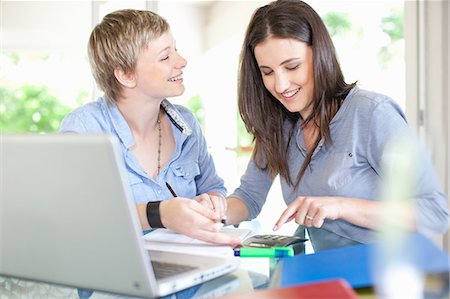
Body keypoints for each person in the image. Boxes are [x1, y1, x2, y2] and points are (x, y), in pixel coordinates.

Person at [226, 0, 449, 252]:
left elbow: (435, 212)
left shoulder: (373, 113)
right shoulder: (278, 125)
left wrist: (341, 206)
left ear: (320, 55)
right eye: (267, 72)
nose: (280, 84)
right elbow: (249, 197)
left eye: (292, 66)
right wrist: (213, 211)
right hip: (328, 267)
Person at [60, 9, 239, 246]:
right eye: (165, 57)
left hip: (188, 266)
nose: (182, 62)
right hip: (116, 277)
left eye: (176, 50)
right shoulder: (84, 129)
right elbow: (75, 216)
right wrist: (160, 214)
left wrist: (213, 202)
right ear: (126, 74)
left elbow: (213, 187)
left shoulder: (186, 124)